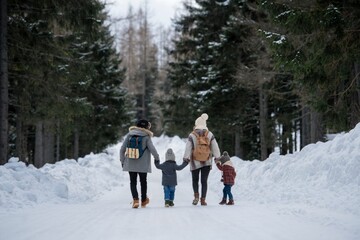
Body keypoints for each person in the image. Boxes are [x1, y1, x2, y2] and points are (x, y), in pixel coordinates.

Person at [120, 119, 160, 208]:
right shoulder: (146, 137)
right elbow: (152, 149)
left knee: (133, 182)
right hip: (143, 164)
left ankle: (135, 200)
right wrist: (157, 158)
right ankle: (144, 200)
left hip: (130, 163)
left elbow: (122, 149)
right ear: (146, 127)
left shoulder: (129, 135)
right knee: (143, 182)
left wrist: (122, 161)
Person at [183, 113, 221, 206]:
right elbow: (215, 147)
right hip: (207, 161)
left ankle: (196, 196)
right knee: (204, 181)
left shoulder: (192, 135)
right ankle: (203, 199)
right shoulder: (209, 134)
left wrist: (186, 157)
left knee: (195, 180)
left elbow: (188, 147)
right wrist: (217, 157)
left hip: (194, 161)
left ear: (196, 124)